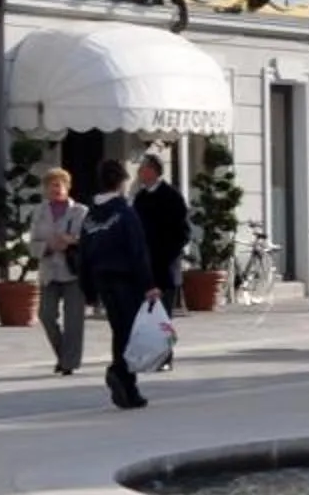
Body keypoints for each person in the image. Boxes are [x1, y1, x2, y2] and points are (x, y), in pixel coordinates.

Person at [78, 159, 153, 409]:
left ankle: (127, 385)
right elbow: (137, 251)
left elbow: (83, 254)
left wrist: (88, 290)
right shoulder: (125, 213)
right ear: (121, 182)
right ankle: (121, 375)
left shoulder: (90, 217)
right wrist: (148, 284)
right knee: (128, 332)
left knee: (118, 329)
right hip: (126, 280)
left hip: (102, 280)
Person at [30, 166, 89, 376]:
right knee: (45, 315)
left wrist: (70, 241)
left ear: (67, 187)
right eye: (51, 185)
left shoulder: (80, 211)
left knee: (73, 319)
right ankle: (64, 355)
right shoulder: (39, 211)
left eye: (59, 185)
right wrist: (47, 246)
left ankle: (69, 363)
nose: (55, 189)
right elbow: (32, 243)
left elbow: (88, 240)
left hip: (72, 271)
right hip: (49, 271)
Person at [133, 153, 191, 317]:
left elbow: (183, 232)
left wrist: (168, 256)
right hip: (144, 270)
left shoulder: (172, 196)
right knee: (143, 319)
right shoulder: (140, 198)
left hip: (165, 270)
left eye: (142, 168)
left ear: (153, 171)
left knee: (161, 320)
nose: (139, 172)